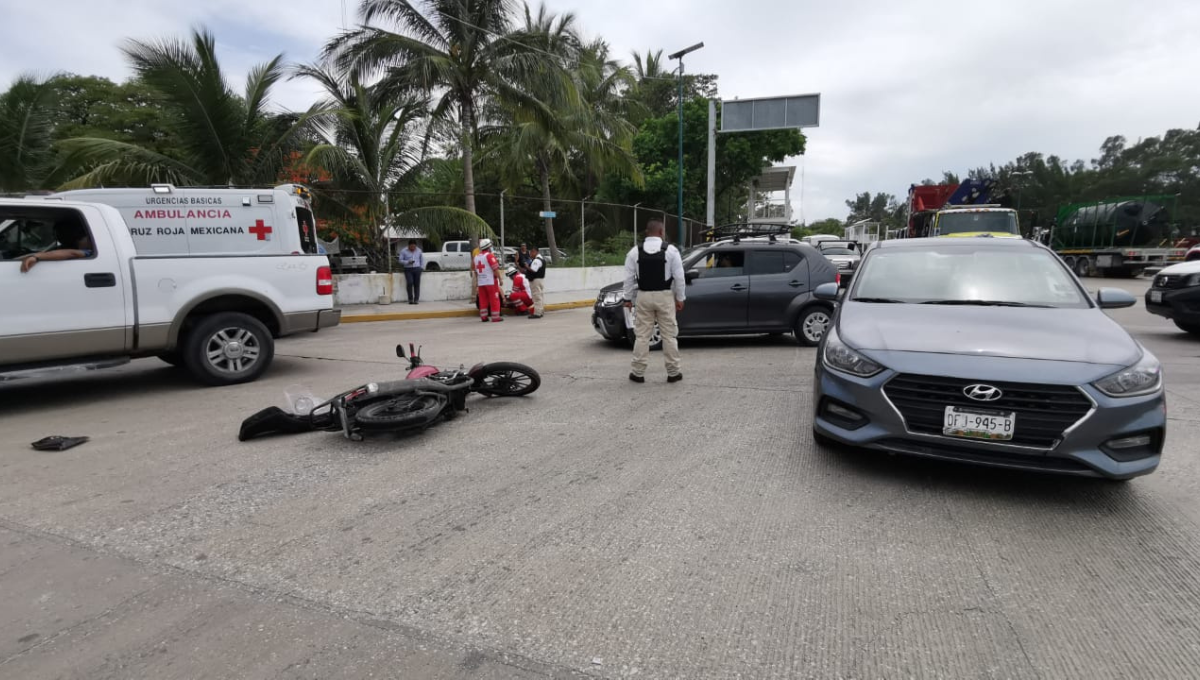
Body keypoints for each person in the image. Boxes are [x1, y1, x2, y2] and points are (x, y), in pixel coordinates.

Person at [623, 220, 685, 383]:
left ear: (646, 232)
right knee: (669, 336)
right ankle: (673, 373)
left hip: (643, 296)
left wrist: (627, 299)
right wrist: (680, 298)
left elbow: (628, 279)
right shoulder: (671, 250)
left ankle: (637, 372)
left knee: (642, 336)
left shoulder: (634, 252)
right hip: (664, 296)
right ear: (661, 232)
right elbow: (679, 277)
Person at [20, 220, 95, 273]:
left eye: (82, 238)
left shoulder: (90, 252)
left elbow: (72, 253)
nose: (81, 241)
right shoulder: (65, 247)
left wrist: (36, 257)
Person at [473, 238, 504, 323]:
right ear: (488, 247)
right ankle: (495, 317)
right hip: (490, 281)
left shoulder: (476, 257)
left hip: (481, 282)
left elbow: (475, 271)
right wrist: (500, 279)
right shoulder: (489, 256)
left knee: (483, 299)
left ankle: (484, 317)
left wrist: (477, 282)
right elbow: (495, 269)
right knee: (494, 299)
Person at [398, 239, 425, 304]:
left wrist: (421, 268)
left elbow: (422, 260)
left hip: (417, 269)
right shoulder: (403, 251)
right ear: (409, 246)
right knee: (410, 283)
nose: (413, 248)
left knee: (417, 284)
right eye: (411, 247)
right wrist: (407, 262)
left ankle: (416, 299)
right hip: (408, 269)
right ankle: (410, 299)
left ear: (416, 246)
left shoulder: (419, 250)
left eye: (414, 247)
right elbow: (400, 260)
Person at [526, 246, 546, 319]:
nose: (530, 254)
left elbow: (534, 270)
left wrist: (527, 266)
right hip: (540, 280)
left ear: (534, 252)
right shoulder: (540, 259)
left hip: (536, 280)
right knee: (540, 296)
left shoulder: (536, 260)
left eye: (531, 252)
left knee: (536, 296)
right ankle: (540, 311)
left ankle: (537, 313)